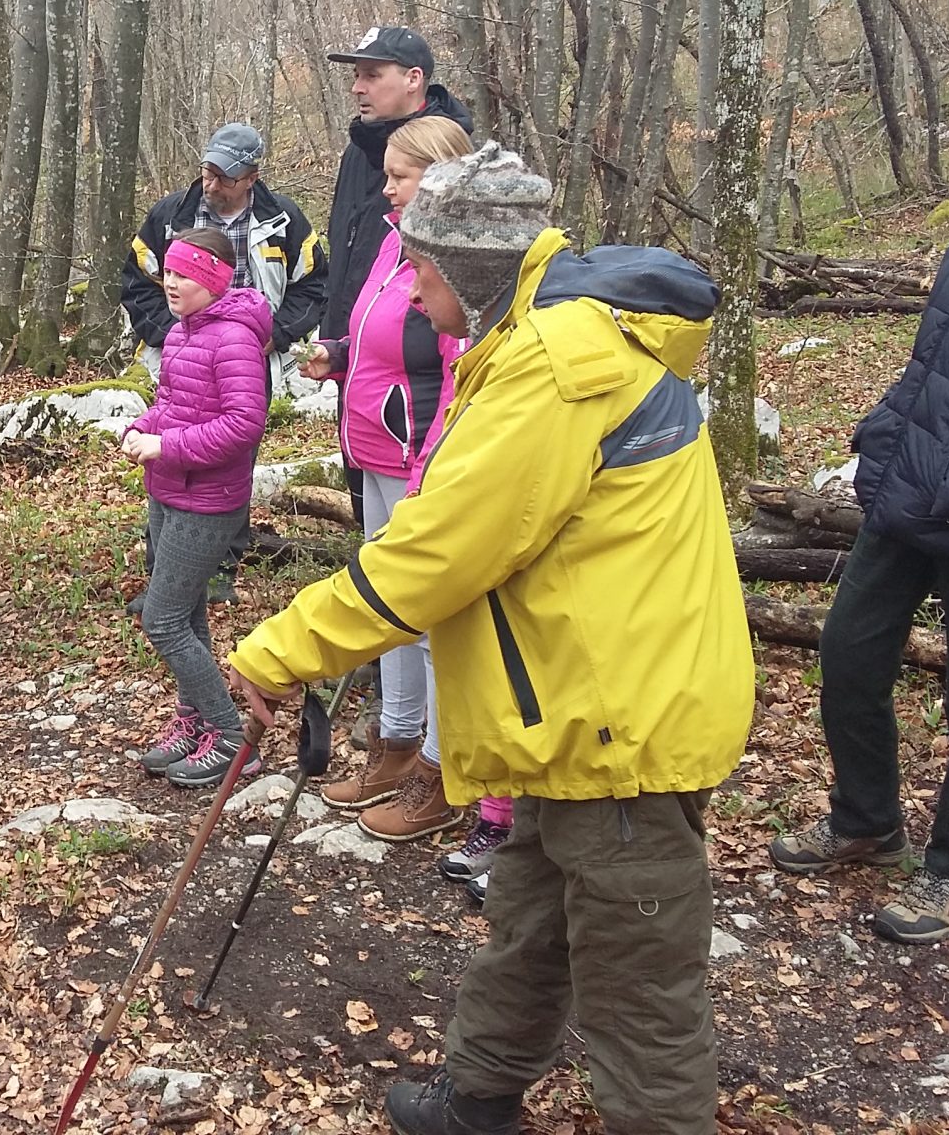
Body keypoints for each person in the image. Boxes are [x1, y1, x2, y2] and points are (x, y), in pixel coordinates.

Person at [225, 144, 753, 1135]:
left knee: (640, 996)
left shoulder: (553, 371)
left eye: (418, 270)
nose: (409, 293)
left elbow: (432, 556)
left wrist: (277, 652)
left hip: (617, 723)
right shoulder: (523, 344)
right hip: (565, 712)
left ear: (468, 269)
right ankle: (476, 1098)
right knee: (527, 924)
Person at [770, 72, 949, 945]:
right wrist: (883, 435)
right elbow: (932, 366)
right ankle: (866, 819)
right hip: (916, 495)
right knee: (850, 652)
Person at [299, 116, 479, 845]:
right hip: (373, 444)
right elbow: (381, 324)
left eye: (400, 174)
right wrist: (340, 355)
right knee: (386, 603)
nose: (386, 186)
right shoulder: (391, 237)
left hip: (422, 457)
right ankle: (397, 740)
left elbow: (458, 365)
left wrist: (429, 460)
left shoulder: (463, 257)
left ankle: (441, 768)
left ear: (437, 176)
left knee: (431, 613)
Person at [121, 122, 327, 607]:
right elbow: (136, 280)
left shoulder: (284, 221)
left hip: (248, 358)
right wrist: (168, 332)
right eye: (206, 172)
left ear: (251, 177)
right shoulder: (172, 215)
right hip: (183, 358)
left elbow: (314, 286)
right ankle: (165, 576)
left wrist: (272, 336)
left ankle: (218, 570)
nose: (211, 184)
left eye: (223, 177)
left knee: (233, 458)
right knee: (168, 457)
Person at [125, 229, 272, 789]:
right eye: (167, 272)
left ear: (212, 278)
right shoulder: (187, 331)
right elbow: (173, 403)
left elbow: (243, 424)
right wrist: (144, 427)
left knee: (161, 620)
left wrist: (168, 446)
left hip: (206, 501)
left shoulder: (231, 338)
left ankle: (233, 738)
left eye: (183, 274)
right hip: (168, 490)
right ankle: (195, 722)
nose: (169, 282)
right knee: (186, 615)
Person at [321, 26, 475, 535]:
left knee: (410, 553)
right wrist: (340, 344)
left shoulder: (449, 174)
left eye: (371, 75)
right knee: (372, 534)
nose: (357, 88)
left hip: (416, 427)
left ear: (413, 79)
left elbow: (460, 362)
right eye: (355, 76)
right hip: (362, 370)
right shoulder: (359, 151)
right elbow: (353, 258)